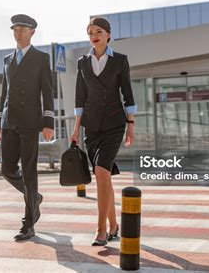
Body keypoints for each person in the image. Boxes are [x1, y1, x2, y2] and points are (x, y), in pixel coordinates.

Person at [70, 17, 137, 246]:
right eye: (90, 32)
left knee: (101, 171)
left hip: (114, 124)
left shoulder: (119, 61)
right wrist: (76, 128)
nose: (93, 36)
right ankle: (114, 225)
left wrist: (131, 125)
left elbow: (128, 94)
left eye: (98, 31)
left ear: (108, 34)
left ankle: (101, 230)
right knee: (103, 176)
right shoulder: (82, 62)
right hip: (91, 128)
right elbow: (80, 98)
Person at [0, 14, 55, 241]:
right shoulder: (7, 59)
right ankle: (34, 197)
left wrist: (48, 122)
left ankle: (28, 223)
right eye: (15, 29)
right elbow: (3, 93)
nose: (18, 33)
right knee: (6, 169)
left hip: (30, 122)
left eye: (22, 29)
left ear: (32, 32)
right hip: (9, 122)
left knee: (29, 173)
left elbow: (47, 92)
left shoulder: (41, 58)